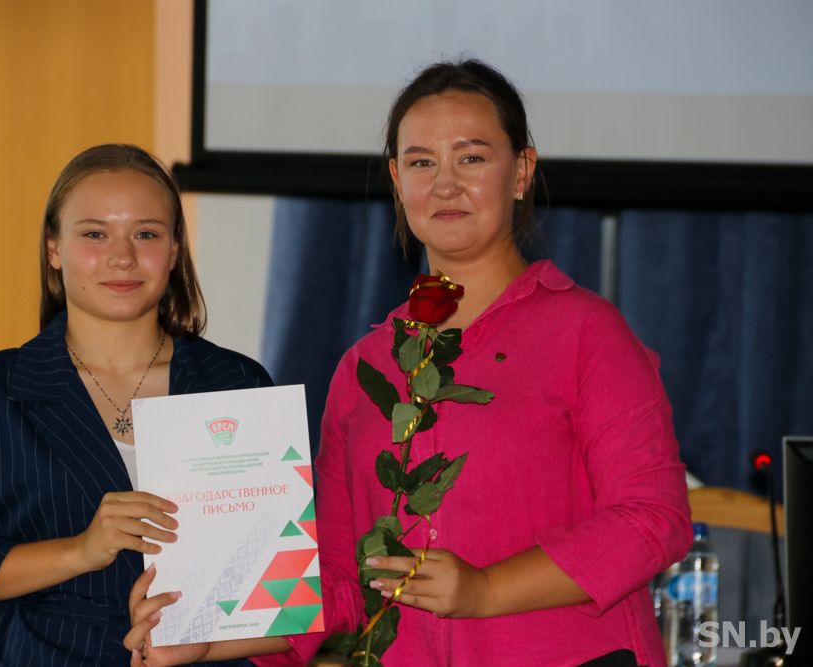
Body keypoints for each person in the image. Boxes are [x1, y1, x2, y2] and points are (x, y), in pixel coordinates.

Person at [125, 60, 693, 667]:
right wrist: (209, 639)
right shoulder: (364, 368)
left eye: (471, 158)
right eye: (422, 163)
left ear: (522, 172)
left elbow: (652, 518)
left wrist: (486, 590)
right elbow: (340, 582)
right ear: (397, 180)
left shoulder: (586, 332)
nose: (445, 185)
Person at [0, 144, 273, 666]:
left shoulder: (236, 384)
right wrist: (81, 550)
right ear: (54, 248)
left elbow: (284, 575)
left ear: (174, 250)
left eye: (146, 234)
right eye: (95, 234)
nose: (123, 257)